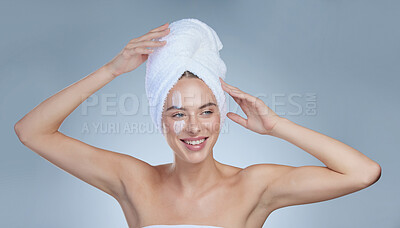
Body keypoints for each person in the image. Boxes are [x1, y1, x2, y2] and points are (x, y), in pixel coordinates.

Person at [14, 21, 381, 228]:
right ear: (161, 120)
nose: (194, 127)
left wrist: (276, 125)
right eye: (178, 113)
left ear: (220, 117)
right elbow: (31, 131)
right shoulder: (133, 180)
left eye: (207, 111)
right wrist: (111, 70)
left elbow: (363, 173)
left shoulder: (254, 185)